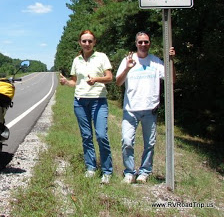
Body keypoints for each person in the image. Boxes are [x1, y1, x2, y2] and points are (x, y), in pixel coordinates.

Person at [116, 31, 175, 184]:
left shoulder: (156, 62)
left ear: (149, 44)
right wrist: (128, 68)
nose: (143, 44)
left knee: (150, 143)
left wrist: (171, 61)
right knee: (127, 141)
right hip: (131, 110)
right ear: (136, 44)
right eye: (140, 42)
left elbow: (171, 80)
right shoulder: (128, 60)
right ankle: (129, 172)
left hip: (150, 110)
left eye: (146, 42)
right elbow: (118, 82)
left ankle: (144, 172)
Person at [59, 30, 113, 184]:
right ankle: (91, 167)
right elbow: (75, 82)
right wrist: (66, 82)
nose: (87, 44)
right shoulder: (76, 60)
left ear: (94, 42)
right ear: (80, 43)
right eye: (84, 41)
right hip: (80, 102)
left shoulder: (101, 57)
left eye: (90, 41)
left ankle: (107, 171)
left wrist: (96, 79)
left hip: (98, 100)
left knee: (101, 135)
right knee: (86, 136)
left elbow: (109, 78)